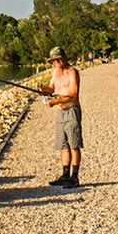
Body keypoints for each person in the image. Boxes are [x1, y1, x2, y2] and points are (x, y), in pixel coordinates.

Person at [38, 46, 83, 187]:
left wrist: (54, 101)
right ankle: (64, 176)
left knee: (74, 144)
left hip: (72, 110)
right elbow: (51, 88)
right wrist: (41, 89)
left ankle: (74, 178)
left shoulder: (72, 72)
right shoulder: (55, 72)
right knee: (62, 145)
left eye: (56, 60)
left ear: (62, 59)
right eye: (52, 61)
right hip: (60, 112)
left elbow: (73, 94)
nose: (54, 63)